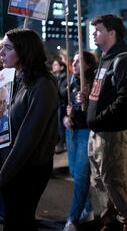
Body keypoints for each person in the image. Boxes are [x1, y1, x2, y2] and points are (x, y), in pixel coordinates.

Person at [80, 14, 127, 231]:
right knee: (100, 181)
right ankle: (110, 220)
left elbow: (126, 98)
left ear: (112, 33)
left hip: (112, 133)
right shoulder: (104, 58)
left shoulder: (123, 60)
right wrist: (86, 99)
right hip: (97, 132)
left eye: (98, 30)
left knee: (116, 182)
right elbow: (103, 94)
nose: (93, 34)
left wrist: (100, 118)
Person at [0, 28, 58, 230]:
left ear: (24, 51)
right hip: (11, 165)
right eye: (1, 48)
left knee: (18, 220)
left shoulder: (42, 86)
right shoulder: (15, 80)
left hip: (27, 169)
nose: (1, 54)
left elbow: (27, 140)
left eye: (7, 48)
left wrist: (2, 176)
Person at [62, 51, 97, 231]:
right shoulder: (69, 81)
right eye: (73, 61)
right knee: (75, 173)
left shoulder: (93, 82)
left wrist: (87, 100)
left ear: (88, 65)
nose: (74, 64)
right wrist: (65, 117)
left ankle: (72, 219)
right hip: (71, 132)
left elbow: (96, 109)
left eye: (78, 61)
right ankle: (88, 208)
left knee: (82, 177)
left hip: (86, 131)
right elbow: (62, 106)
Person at [52, 59, 68, 154]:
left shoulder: (65, 78)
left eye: (56, 64)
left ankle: (61, 143)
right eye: (53, 65)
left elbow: (63, 93)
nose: (53, 66)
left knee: (60, 125)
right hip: (54, 105)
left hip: (61, 106)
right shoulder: (53, 78)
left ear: (62, 67)